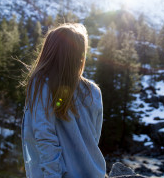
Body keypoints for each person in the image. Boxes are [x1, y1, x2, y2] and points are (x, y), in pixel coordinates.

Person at [21, 23, 106, 178]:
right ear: (80, 56)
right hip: (94, 172)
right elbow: (94, 139)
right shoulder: (94, 91)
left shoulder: (41, 83)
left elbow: (44, 137)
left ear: (50, 52)